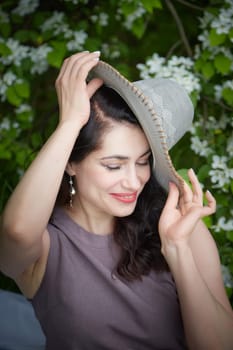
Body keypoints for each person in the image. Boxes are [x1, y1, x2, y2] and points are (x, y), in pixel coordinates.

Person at [0, 51, 232, 350]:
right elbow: (15, 232)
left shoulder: (177, 226)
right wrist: (70, 123)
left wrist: (177, 249)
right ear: (71, 162)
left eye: (143, 162)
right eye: (113, 165)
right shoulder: (48, 244)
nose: (134, 181)